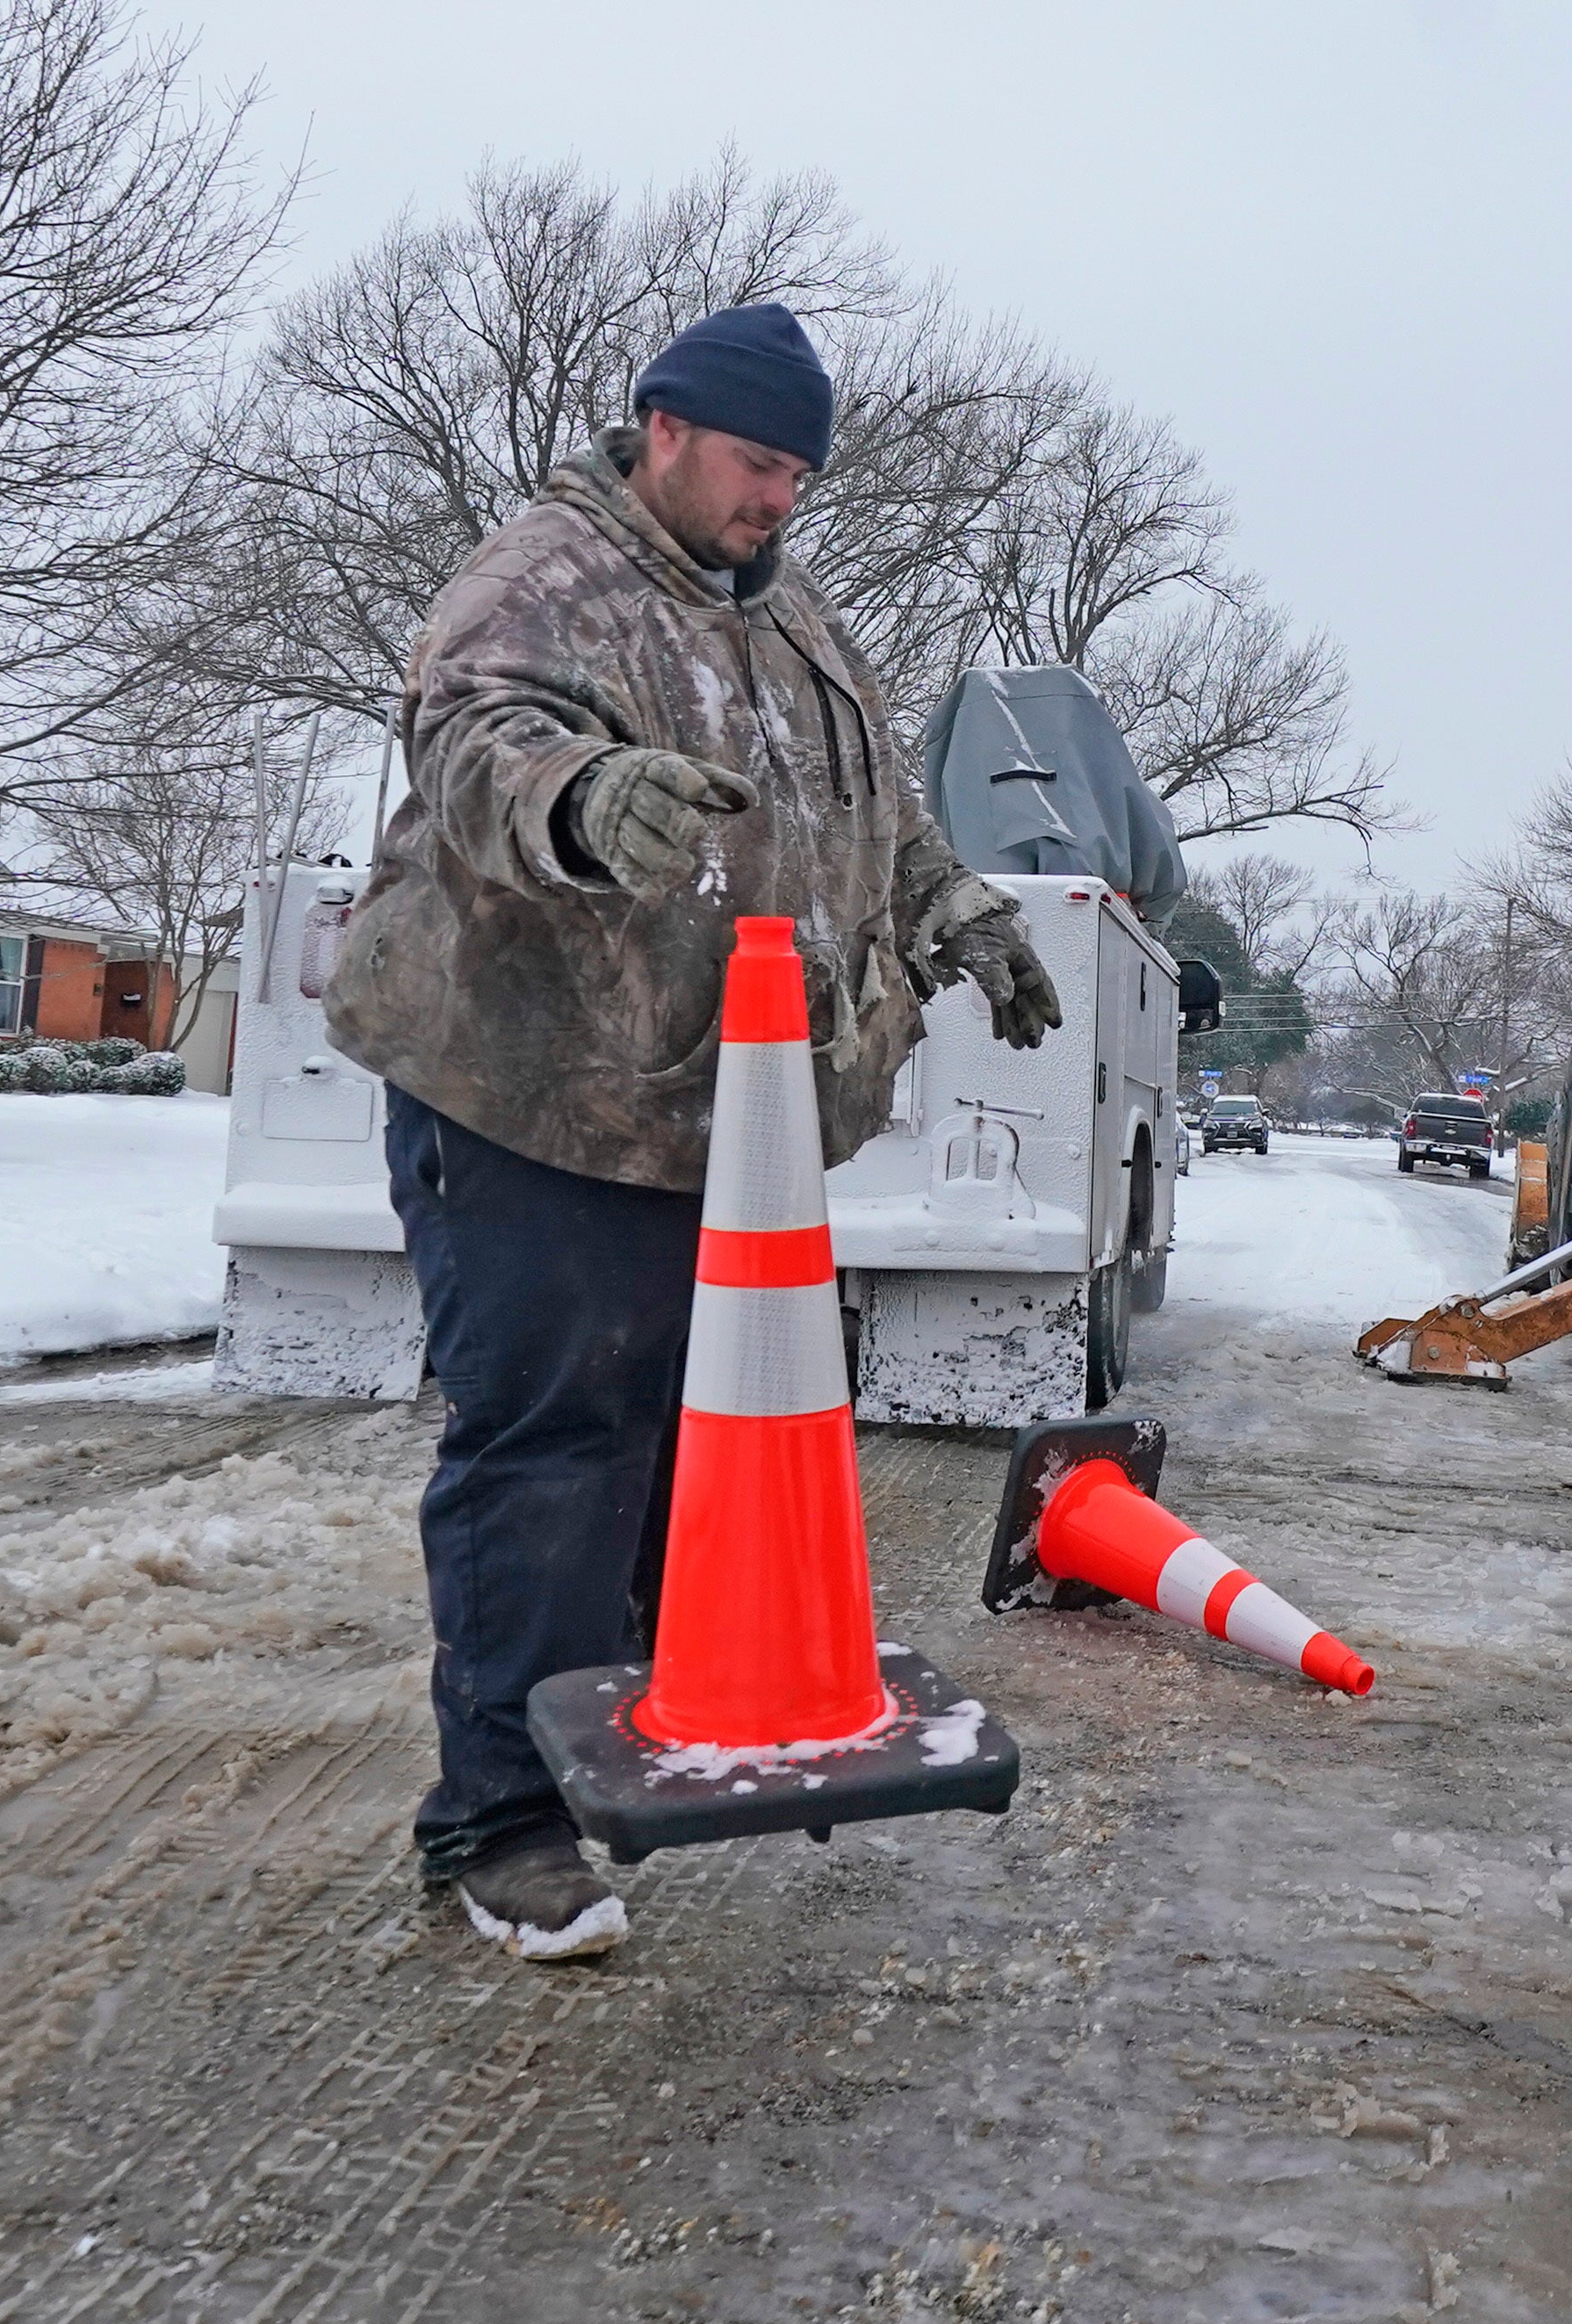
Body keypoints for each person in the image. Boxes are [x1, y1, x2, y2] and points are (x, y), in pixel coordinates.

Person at [326, 302, 1064, 1961]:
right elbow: (479, 737)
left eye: (799, 470)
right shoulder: (546, 576)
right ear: (662, 428)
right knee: (552, 1453)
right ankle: (503, 1824)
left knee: (665, 1451)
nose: (778, 497)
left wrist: (951, 905)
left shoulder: (790, 617)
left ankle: (632, 1735)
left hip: (707, 1120)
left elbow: (866, 800)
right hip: (525, 1093)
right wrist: (585, 801)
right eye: (753, 461)